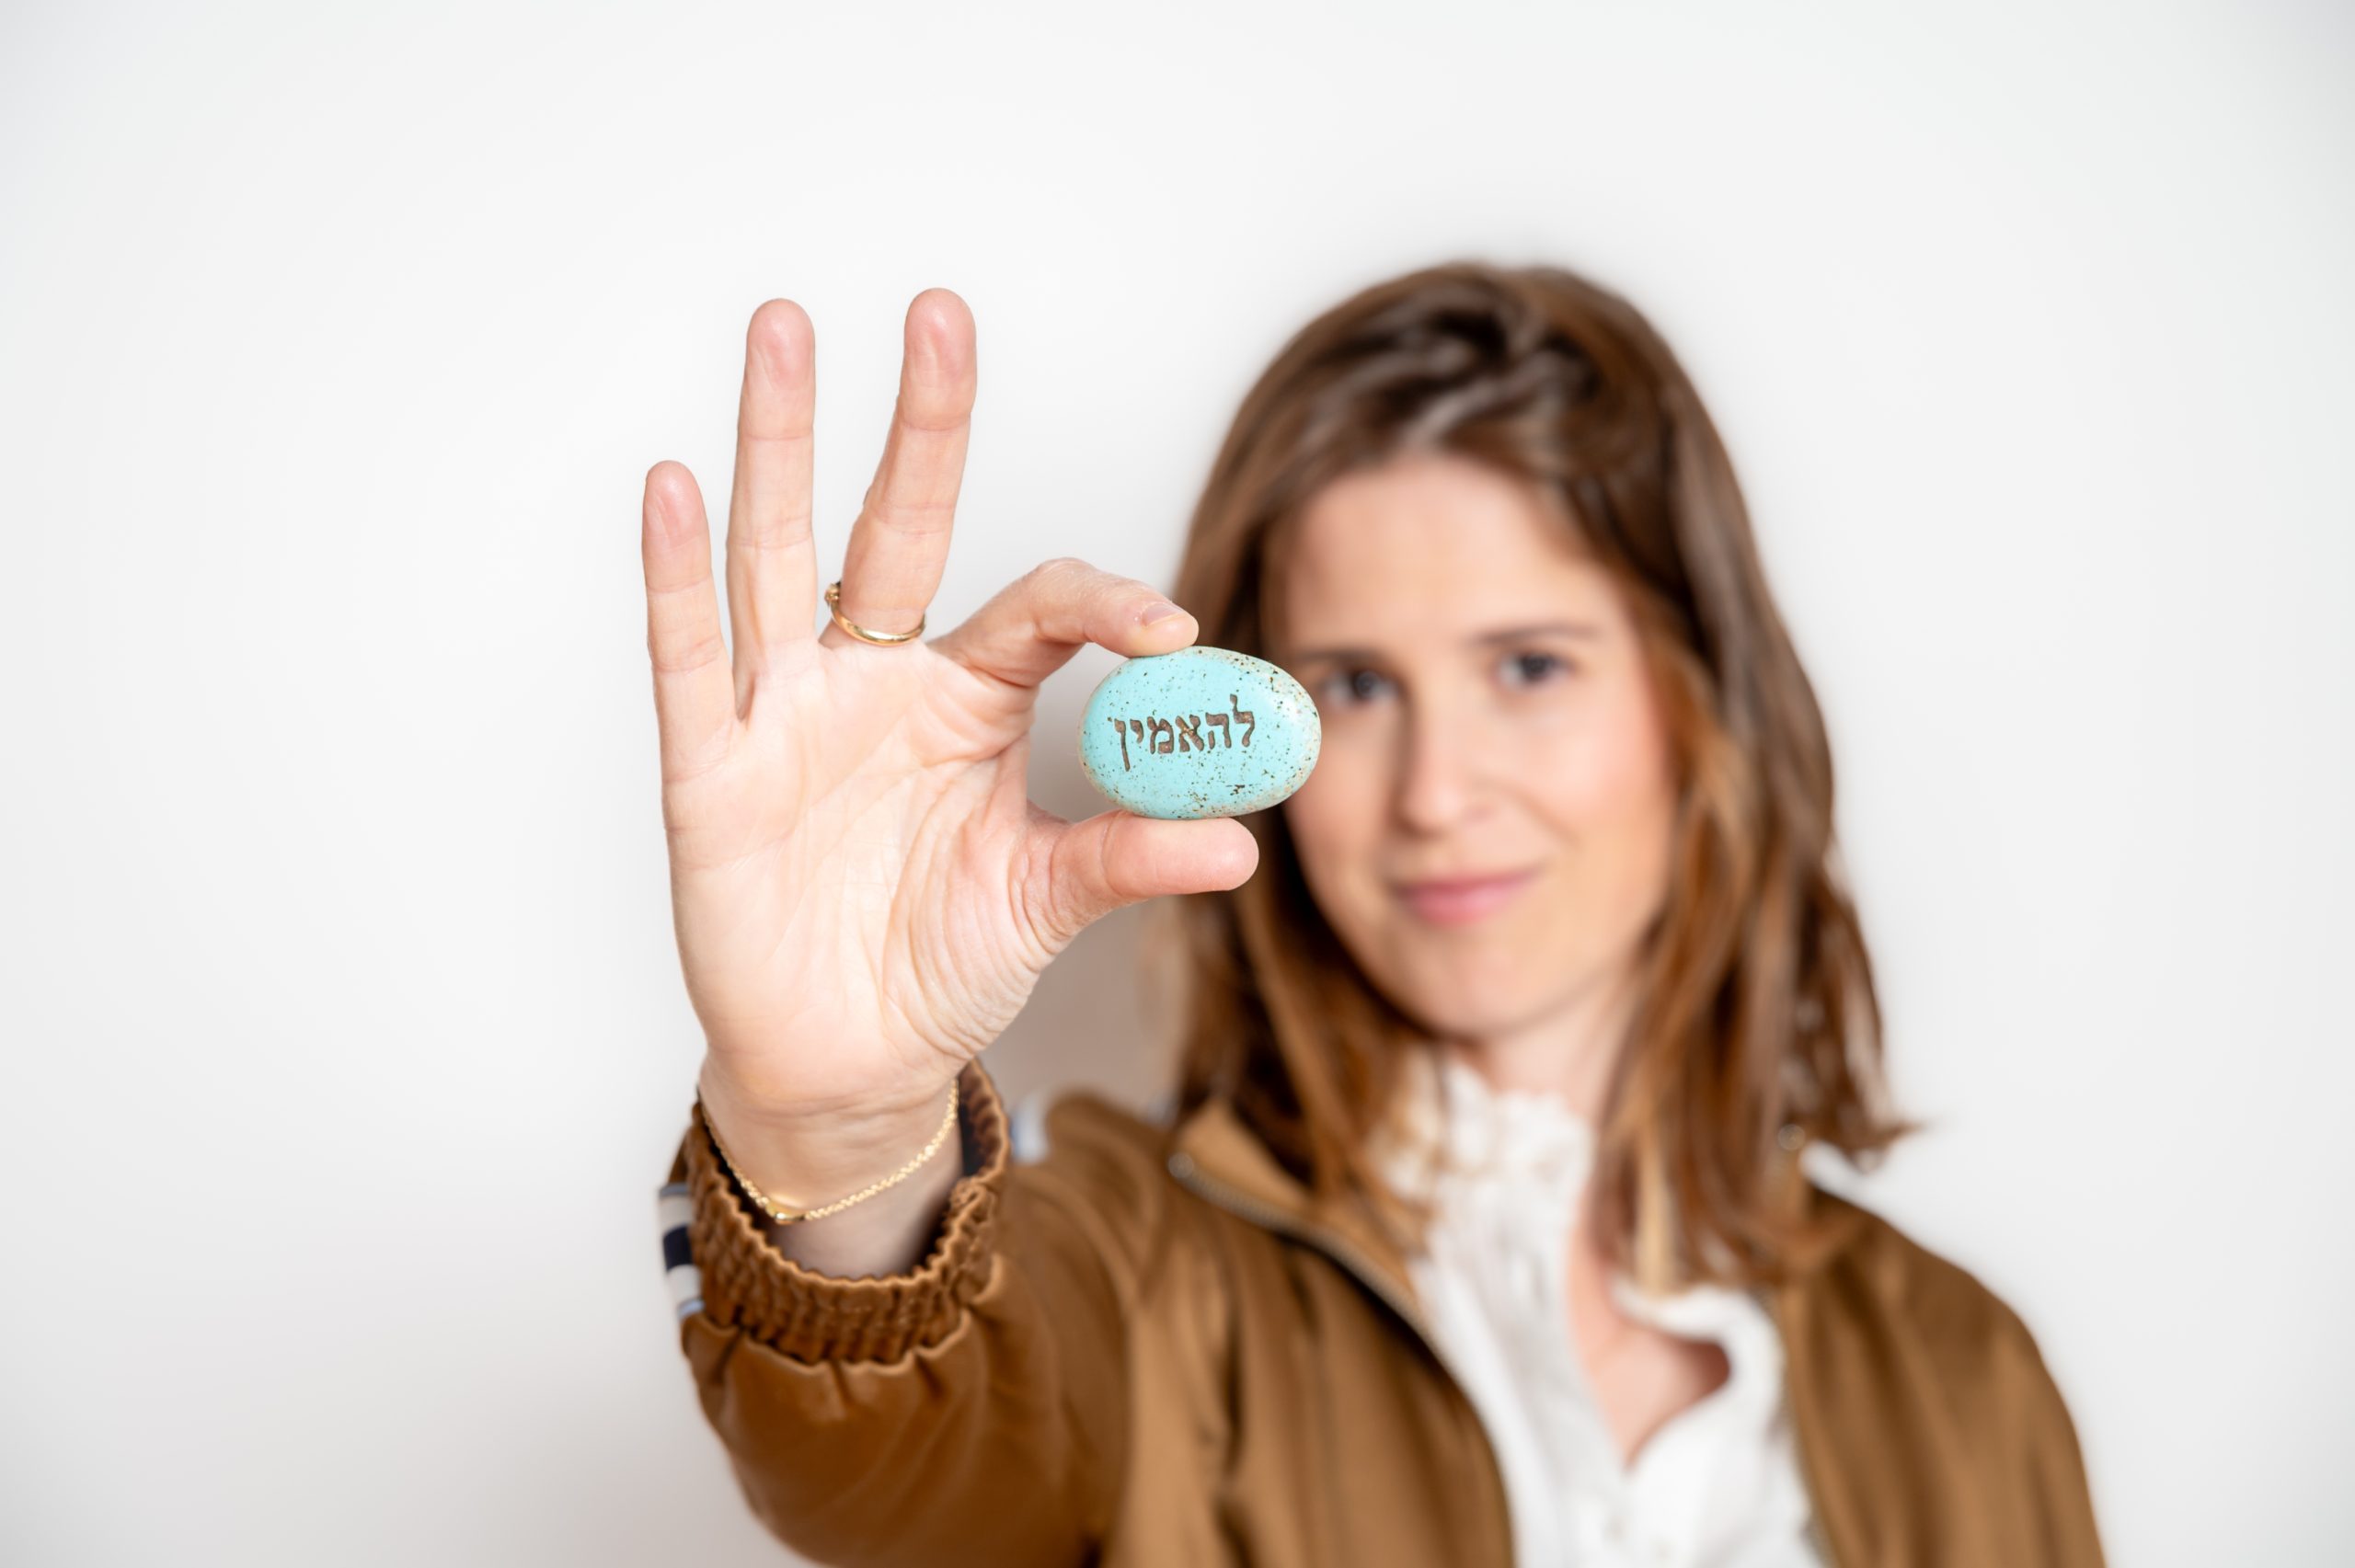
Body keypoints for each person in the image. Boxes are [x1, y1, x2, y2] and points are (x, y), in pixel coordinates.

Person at [641, 263, 2106, 1568]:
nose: (1435, 794)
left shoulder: (1967, 1378)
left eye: (1529, 665)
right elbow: (897, 1464)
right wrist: (840, 1136)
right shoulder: (1151, 1282)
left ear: (1700, 699)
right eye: (1353, 684)